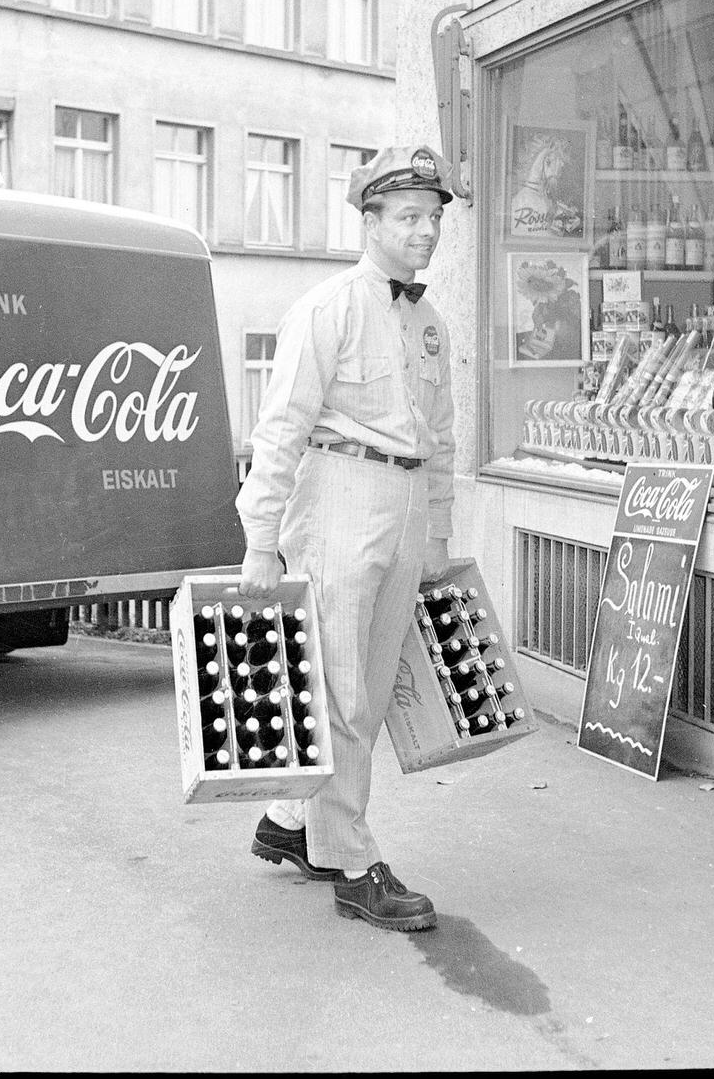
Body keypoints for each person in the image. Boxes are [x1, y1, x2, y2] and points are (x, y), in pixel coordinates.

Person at [235, 144, 457, 933]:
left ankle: (292, 820)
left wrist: (435, 534)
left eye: (433, 218)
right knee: (341, 685)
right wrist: (262, 539)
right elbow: (282, 425)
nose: (425, 231)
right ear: (368, 221)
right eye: (407, 217)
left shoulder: (428, 323)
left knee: (367, 671)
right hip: (337, 493)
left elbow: (442, 438)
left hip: (400, 499)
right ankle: (354, 865)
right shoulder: (328, 306)